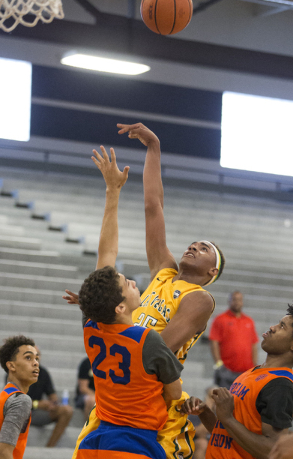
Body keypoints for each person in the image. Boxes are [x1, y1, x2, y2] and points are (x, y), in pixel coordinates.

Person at [64, 123, 226, 459]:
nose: (195, 245)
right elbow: (154, 207)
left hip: (148, 393)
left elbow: (162, 346)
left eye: (206, 248)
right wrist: (154, 148)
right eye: (195, 242)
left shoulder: (200, 298)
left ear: (212, 272)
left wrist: (105, 308)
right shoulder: (165, 271)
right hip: (129, 386)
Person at [70, 145, 183, 458]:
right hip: (134, 445)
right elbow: (174, 393)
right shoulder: (147, 338)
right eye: (126, 284)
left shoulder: (92, 325)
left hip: (96, 440)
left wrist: (113, 191)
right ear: (120, 307)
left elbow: (106, 256)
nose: (133, 282)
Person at [180, 303, 293, 459]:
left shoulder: (281, 386)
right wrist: (204, 412)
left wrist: (227, 418)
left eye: (282, 327)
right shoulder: (252, 372)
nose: (272, 327)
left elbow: (271, 451)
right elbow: (229, 437)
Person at [209, 290, 259, 388]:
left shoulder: (249, 321)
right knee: (225, 400)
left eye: (239, 300)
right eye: (234, 300)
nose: (237, 302)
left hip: (246, 372)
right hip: (227, 371)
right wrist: (219, 364)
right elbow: (213, 342)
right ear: (229, 301)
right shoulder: (220, 319)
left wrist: (254, 364)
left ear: (243, 302)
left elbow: (254, 344)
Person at [0, 335, 39, 459]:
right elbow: (4, 452)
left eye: (37, 358)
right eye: (28, 357)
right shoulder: (21, 400)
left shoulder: (4, 396)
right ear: (11, 366)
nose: (36, 363)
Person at [27, 346, 73, 447]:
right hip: (22, 413)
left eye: (37, 355)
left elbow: (52, 395)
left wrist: (54, 404)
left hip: (37, 413)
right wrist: (37, 404)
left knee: (67, 410)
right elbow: (13, 399)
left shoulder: (43, 373)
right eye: (31, 355)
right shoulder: (17, 372)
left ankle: (49, 448)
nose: (36, 358)